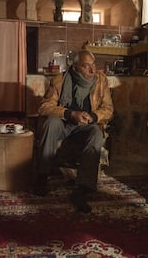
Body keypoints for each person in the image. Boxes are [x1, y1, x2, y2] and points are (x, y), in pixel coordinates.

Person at [34, 50, 114, 213]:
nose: (92, 71)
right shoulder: (60, 80)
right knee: (51, 123)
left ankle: (82, 189)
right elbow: (44, 107)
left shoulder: (101, 80)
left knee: (96, 134)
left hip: (86, 125)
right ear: (76, 68)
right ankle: (42, 176)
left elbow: (108, 109)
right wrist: (70, 114)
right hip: (65, 123)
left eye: (94, 65)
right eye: (86, 67)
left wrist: (93, 116)